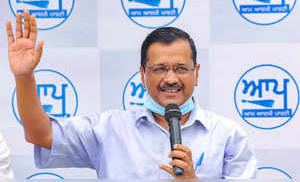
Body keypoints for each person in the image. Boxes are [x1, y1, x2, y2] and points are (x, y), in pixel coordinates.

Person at [6, 10, 257, 179]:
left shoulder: (227, 136)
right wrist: (24, 76)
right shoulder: (109, 130)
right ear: (142, 75)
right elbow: (40, 134)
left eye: (181, 69)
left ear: (196, 73)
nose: (170, 79)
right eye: (159, 69)